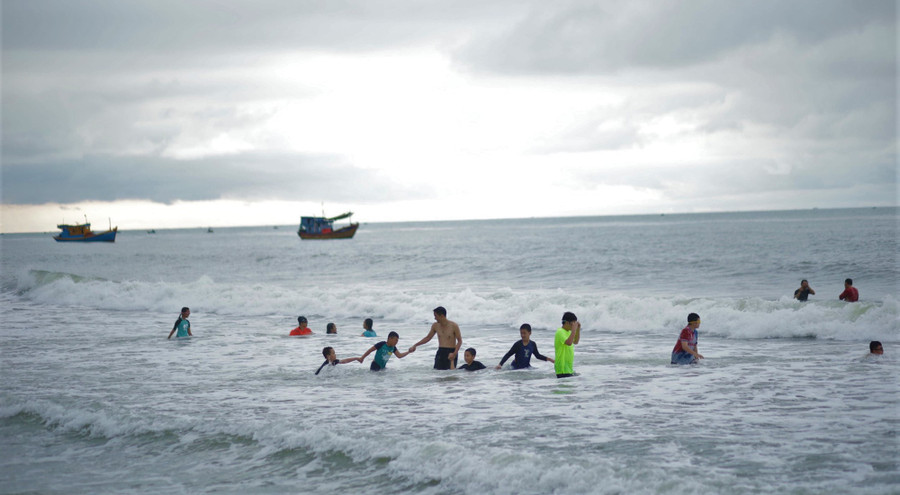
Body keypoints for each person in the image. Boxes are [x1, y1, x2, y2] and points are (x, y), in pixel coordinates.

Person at [554, 312, 581, 378]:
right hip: (562, 368)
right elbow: (569, 343)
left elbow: (576, 342)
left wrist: (578, 329)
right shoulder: (560, 332)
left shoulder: (569, 332)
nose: (574, 325)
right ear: (567, 322)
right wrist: (574, 330)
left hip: (568, 368)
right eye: (573, 323)